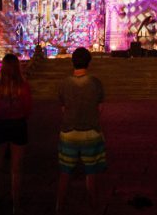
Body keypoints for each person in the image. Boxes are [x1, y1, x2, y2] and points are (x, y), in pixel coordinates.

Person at [56, 47, 106, 213]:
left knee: (65, 174)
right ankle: (93, 208)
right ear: (89, 62)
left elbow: (63, 108)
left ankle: (59, 208)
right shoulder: (96, 83)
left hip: (69, 134)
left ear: (72, 62)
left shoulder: (64, 84)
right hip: (90, 133)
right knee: (91, 175)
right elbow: (99, 109)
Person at [0, 53, 32, 215]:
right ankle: (16, 206)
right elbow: (28, 109)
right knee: (16, 170)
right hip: (18, 125)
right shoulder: (23, 86)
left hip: (0, 125)